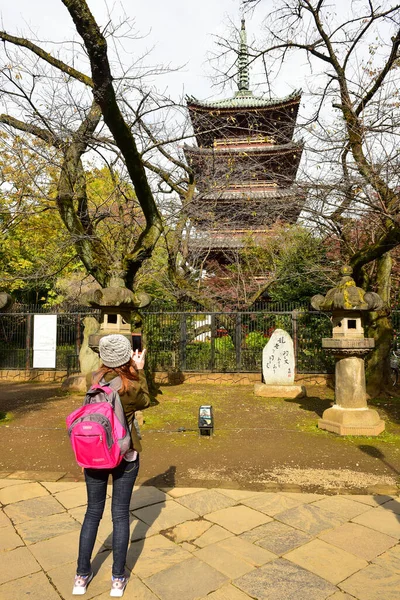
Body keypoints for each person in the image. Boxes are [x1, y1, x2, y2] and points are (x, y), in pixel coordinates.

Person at [72, 334, 150, 597]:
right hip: (124, 455)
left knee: (92, 514)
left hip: (94, 454)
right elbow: (148, 401)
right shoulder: (131, 386)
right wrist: (139, 371)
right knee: (120, 515)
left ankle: (81, 576)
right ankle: (117, 579)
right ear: (128, 355)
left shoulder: (91, 380)